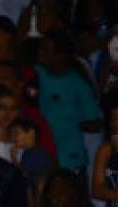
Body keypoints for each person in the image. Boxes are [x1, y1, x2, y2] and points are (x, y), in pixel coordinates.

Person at [34, 31, 102, 174]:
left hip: (69, 156)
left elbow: (94, 123)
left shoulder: (79, 85)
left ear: (60, 55)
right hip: (39, 154)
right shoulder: (35, 74)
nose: (40, 52)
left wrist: (70, 120)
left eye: (46, 49)